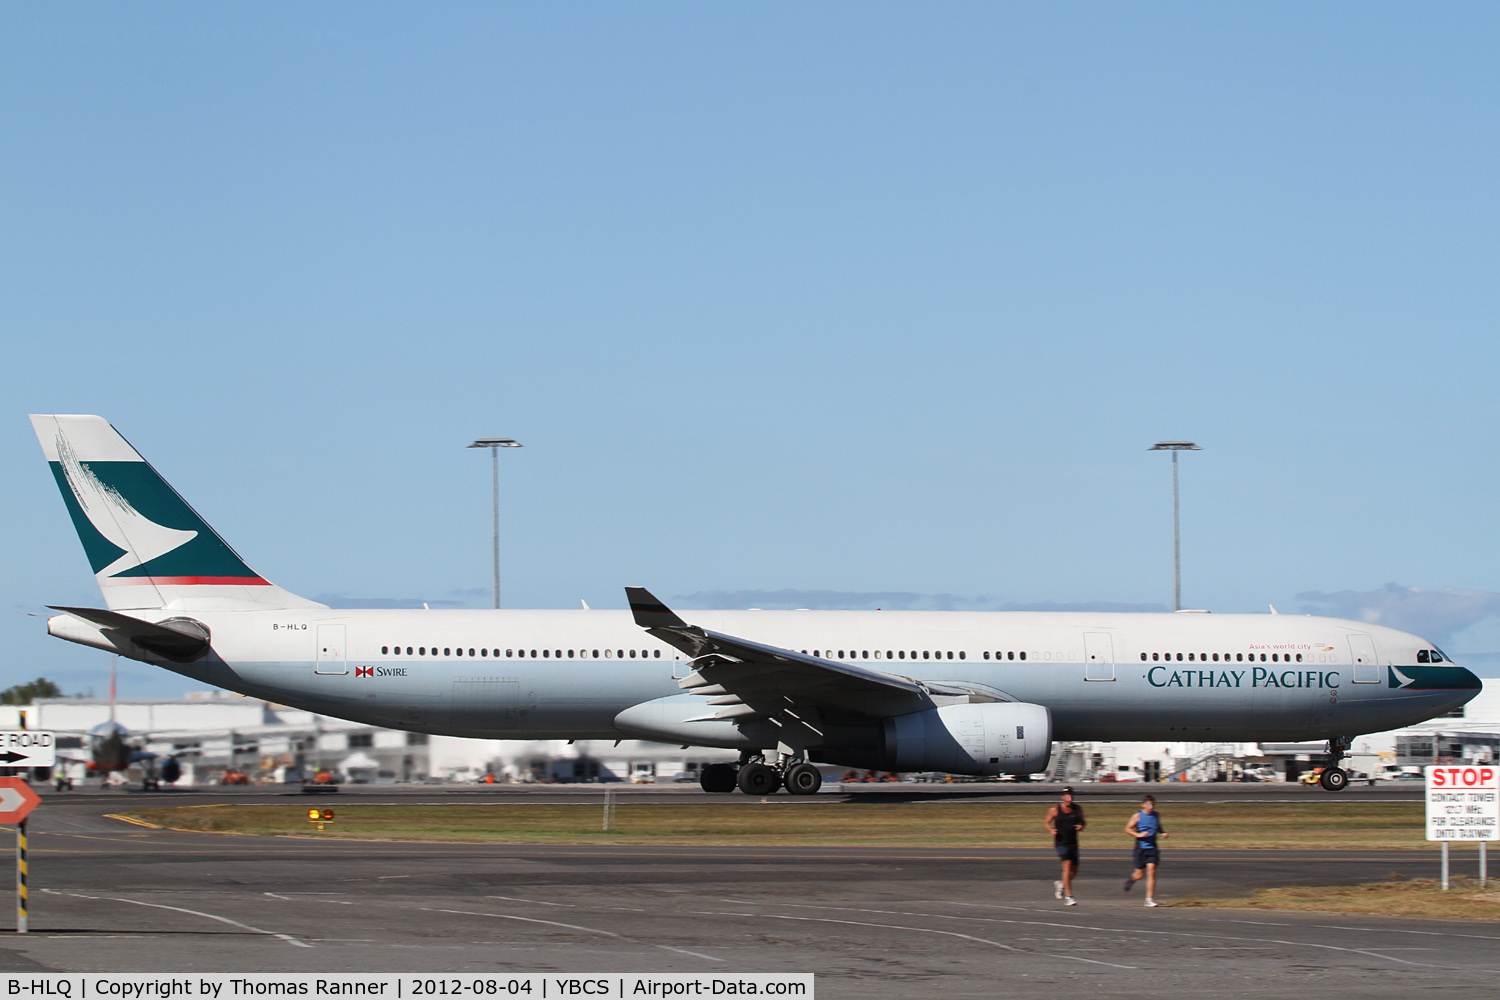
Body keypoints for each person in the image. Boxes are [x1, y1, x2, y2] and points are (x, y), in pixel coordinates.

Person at [1123, 794, 1168, 906]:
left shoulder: (1156, 815)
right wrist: (1138, 835)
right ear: (1143, 805)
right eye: (1148, 804)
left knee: (1151, 872)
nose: (1150, 807)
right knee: (1139, 874)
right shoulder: (1138, 816)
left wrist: (1162, 832)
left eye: (1152, 804)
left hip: (1152, 847)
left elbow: (1157, 826)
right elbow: (1127, 829)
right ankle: (1132, 880)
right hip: (1141, 848)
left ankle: (1149, 899)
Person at [1044, 786, 1085, 905]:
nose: (1069, 798)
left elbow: (1082, 821)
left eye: (1071, 795)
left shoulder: (1077, 809)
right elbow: (1047, 822)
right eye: (1067, 795)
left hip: (1073, 842)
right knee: (1067, 866)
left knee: (1074, 871)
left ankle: (1061, 884)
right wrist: (1051, 830)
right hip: (1061, 843)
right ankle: (1069, 897)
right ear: (1063, 797)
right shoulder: (1055, 810)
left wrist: (1081, 826)